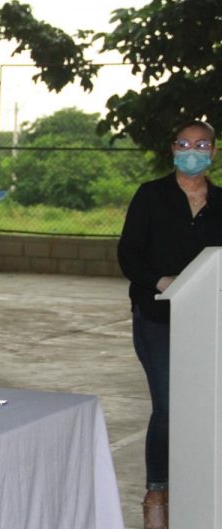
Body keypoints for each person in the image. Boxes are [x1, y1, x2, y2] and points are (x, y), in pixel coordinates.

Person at [118, 120, 220, 529]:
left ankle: (201, 487)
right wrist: (160, 281)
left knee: (207, 407)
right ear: (172, 148)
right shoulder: (151, 196)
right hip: (157, 317)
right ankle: (157, 493)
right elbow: (129, 254)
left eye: (201, 144)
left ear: (213, 152)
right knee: (169, 405)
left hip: (209, 321)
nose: (191, 150)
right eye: (183, 143)